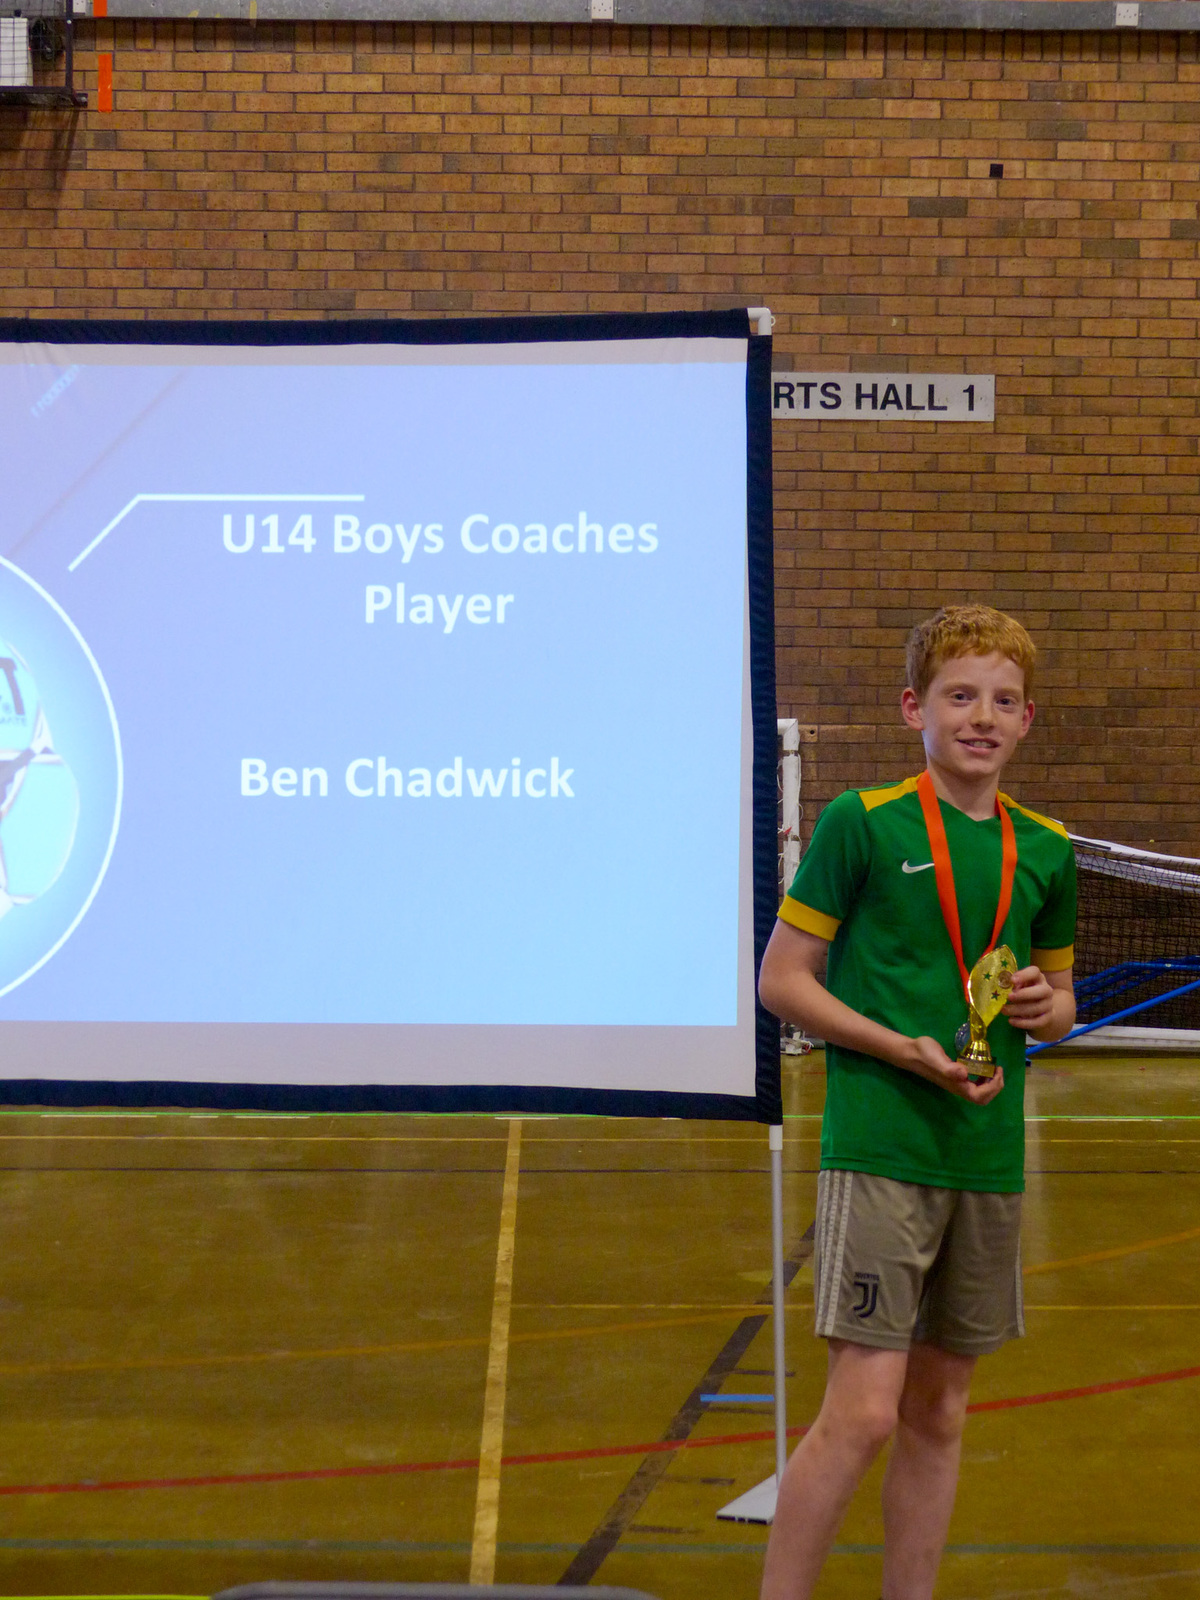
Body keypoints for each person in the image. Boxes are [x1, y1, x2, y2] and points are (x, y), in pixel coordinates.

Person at [758, 604, 1077, 1600]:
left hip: (986, 1153)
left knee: (939, 1412)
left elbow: (1061, 1001)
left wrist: (1044, 1004)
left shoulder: (1047, 847)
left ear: (1027, 719)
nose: (983, 716)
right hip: (883, 1146)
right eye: (960, 695)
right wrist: (901, 1047)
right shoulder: (863, 822)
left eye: (1004, 700)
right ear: (914, 708)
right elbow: (783, 981)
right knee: (861, 1413)